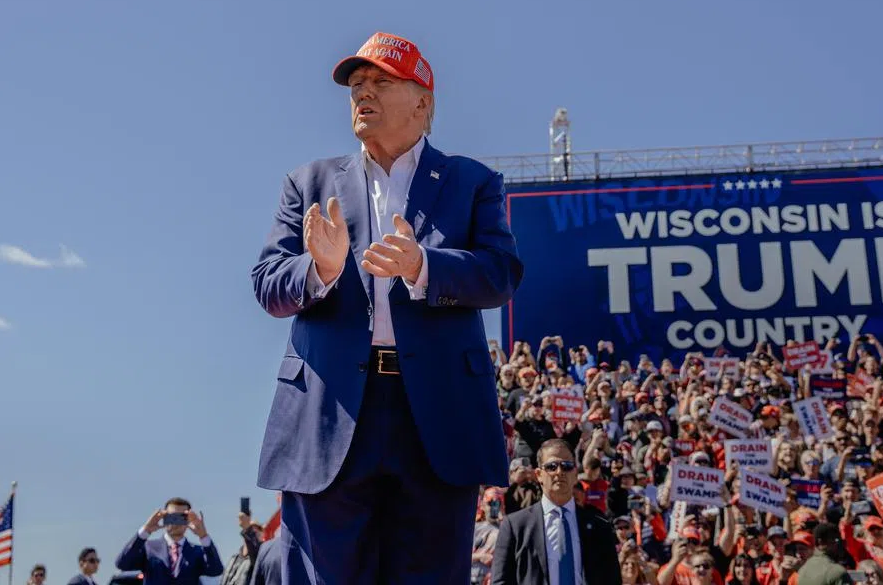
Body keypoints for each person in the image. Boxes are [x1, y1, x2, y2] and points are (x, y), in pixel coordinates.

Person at [251, 31, 523, 584]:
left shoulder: (473, 183)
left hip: (434, 416)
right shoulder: (308, 183)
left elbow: (500, 275)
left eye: (380, 81)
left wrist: (423, 264)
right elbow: (267, 284)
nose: (362, 93)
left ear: (423, 101)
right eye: (356, 84)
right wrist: (319, 270)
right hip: (329, 413)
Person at [490, 439, 621, 585]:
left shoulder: (599, 526)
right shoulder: (515, 526)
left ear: (575, 473)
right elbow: (500, 581)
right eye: (551, 467)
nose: (560, 472)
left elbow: (613, 579)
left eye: (567, 466)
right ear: (539, 474)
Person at [115, 498, 223, 585]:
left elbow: (216, 570)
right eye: (171, 517)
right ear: (164, 518)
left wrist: (203, 536)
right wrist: (145, 531)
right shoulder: (149, 547)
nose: (176, 522)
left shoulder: (197, 551)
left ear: (188, 520)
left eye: (181, 517)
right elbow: (123, 564)